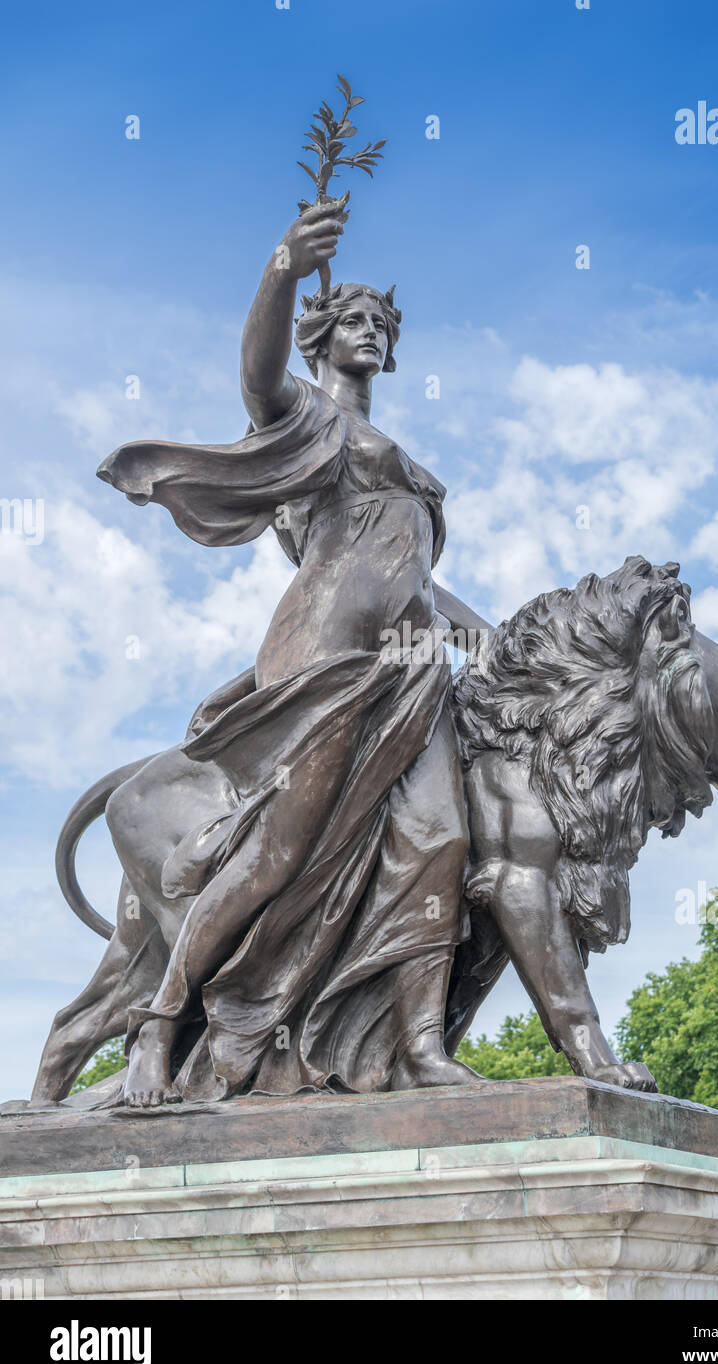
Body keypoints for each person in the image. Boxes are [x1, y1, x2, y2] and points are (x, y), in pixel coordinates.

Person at [97, 203, 492, 1106]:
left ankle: (421, 1045)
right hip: (323, 660)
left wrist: (500, 643)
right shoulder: (306, 420)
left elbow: (421, 586)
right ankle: (157, 1031)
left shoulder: (400, 457)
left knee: (442, 840)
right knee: (273, 858)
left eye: (382, 325)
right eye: (354, 319)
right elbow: (256, 371)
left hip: (413, 667)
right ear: (323, 333)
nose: (371, 332)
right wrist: (283, 265)